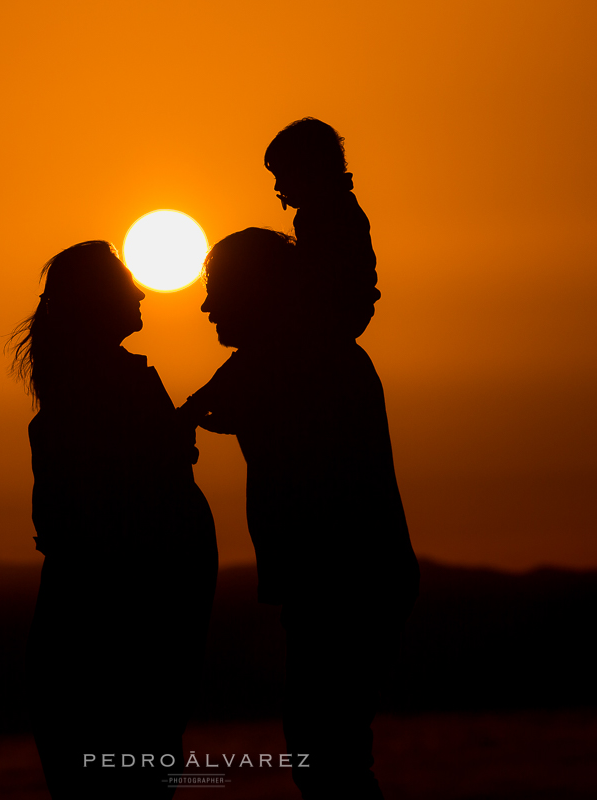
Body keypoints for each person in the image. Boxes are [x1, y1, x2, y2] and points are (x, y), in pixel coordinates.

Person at [181, 228, 418, 800]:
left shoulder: (293, 362)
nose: (206, 305)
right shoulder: (299, 354)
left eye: (216, 289)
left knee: (325, 756)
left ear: (254, 291)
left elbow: (206, 406)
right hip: (350, 584)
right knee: (330, 753)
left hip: (341, 586)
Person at [12, 241, 218, 799]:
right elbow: (109, 534)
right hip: (116, 654)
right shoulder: (102, 398)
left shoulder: (98, 392)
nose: (142, 289)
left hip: (103, 647)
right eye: (126, 279)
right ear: (98, 302)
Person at [265, 117, 380, 341]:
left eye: (282, 176)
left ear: (307, 170)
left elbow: (319, 279)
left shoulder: (327, 213)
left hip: (335, 319)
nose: (278, 187)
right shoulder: (335, 207)